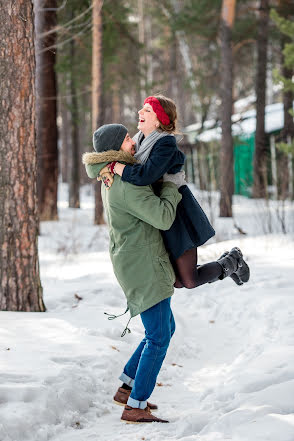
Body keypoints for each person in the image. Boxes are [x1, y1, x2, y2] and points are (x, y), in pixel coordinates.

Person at [82, 123, 185, 424]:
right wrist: (171, 184)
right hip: (143, 265)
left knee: (165, 327)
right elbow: (164, 217)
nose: (133, 142)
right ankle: (135, 405)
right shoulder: (126, 185)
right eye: (128, 139)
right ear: (115, 148)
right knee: (158, 336)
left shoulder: (111, 175)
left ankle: (127, 387)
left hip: (135, 260)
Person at [98, 94, 250, 288]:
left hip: (177, 212)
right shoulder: (139, 140)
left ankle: (233, 261)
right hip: (160, 210)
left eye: (147, 110)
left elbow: (145, 175)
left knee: (189, 281)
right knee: (175, 280)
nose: (139, 112)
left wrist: (116, 167)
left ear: (159, 119)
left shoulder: (165, 143)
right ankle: (225, 264)